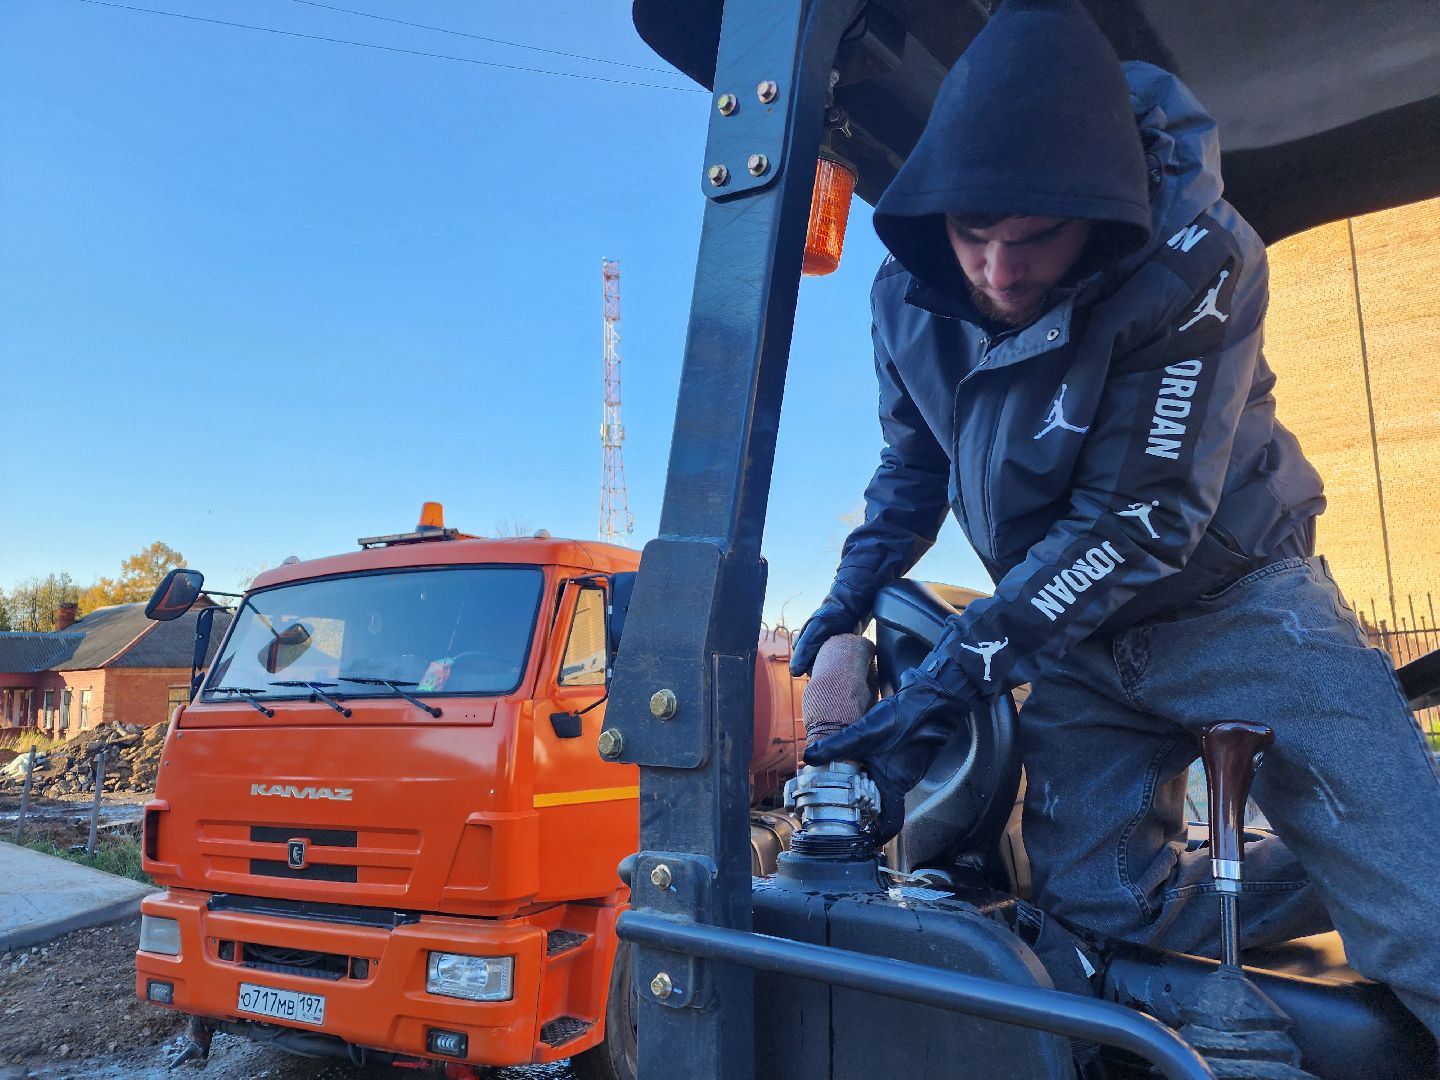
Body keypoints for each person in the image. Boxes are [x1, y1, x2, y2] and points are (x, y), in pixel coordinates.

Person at [794, 0, 1440, 1044]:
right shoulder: (904, 296)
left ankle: (1387, 858)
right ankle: (1343, 882)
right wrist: (842, 603)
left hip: (1242, 606)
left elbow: (1141, 519)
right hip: (1074, 635)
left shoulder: (1200, 260)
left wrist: (954, 676)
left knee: (1425, 927)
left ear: (1102, 210)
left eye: (1034, 238)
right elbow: (912, 468)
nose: (998, 272)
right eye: (974, 236)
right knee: (1096, 915)